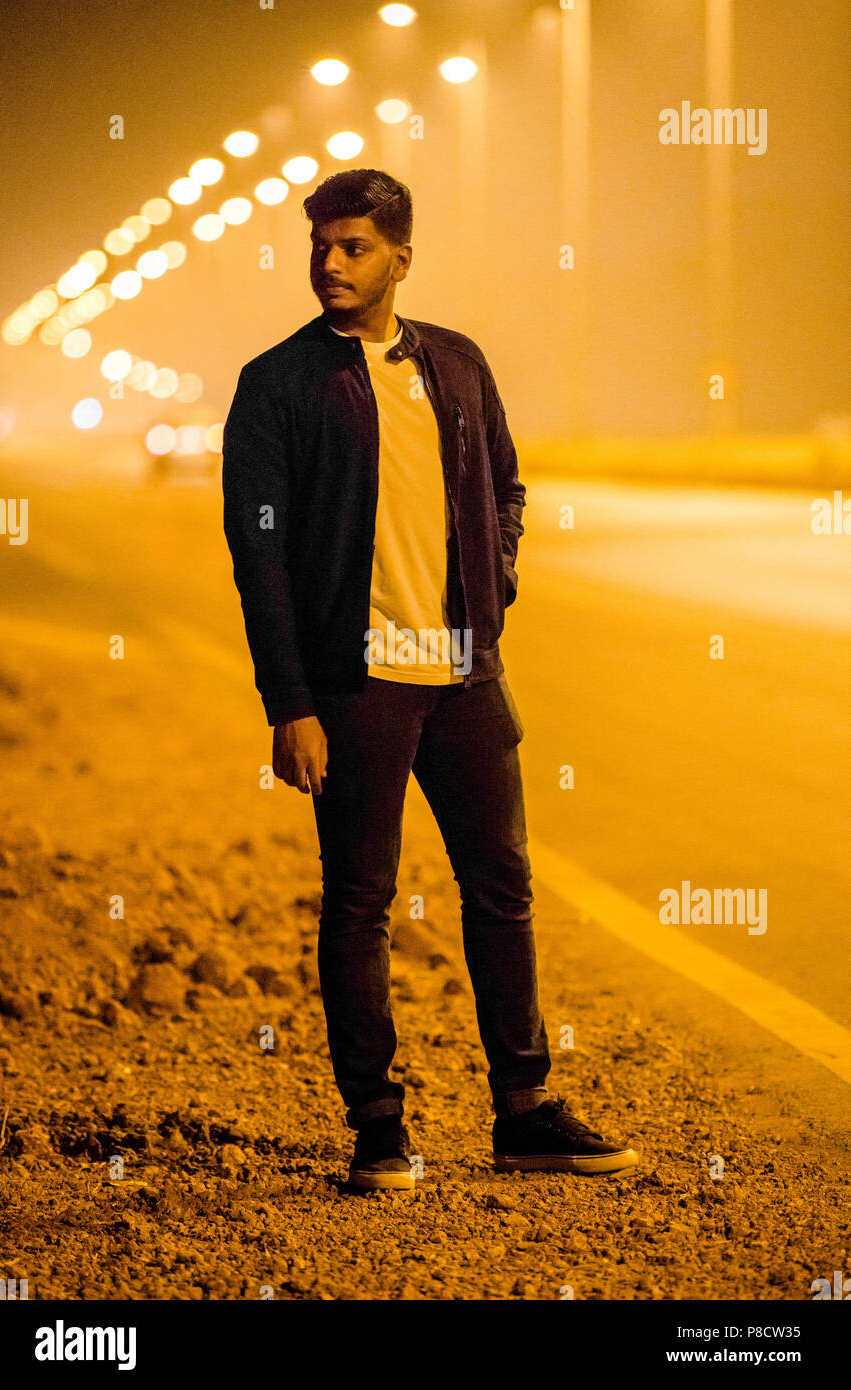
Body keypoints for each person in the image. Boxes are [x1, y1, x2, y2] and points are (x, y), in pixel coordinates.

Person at [222, 168, 637, 1191]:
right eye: (319, 243)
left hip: (465, 677)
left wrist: (491, 582)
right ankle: (376, 1124)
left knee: (501, 889)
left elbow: (504, 484)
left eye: (353, 246)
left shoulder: (454, 364)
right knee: (358, 904)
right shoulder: (275, 384)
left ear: (400, 258)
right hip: (355, 686)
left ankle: (525, 1110)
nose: (330, 262)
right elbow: (258, 555)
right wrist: (292, 705)